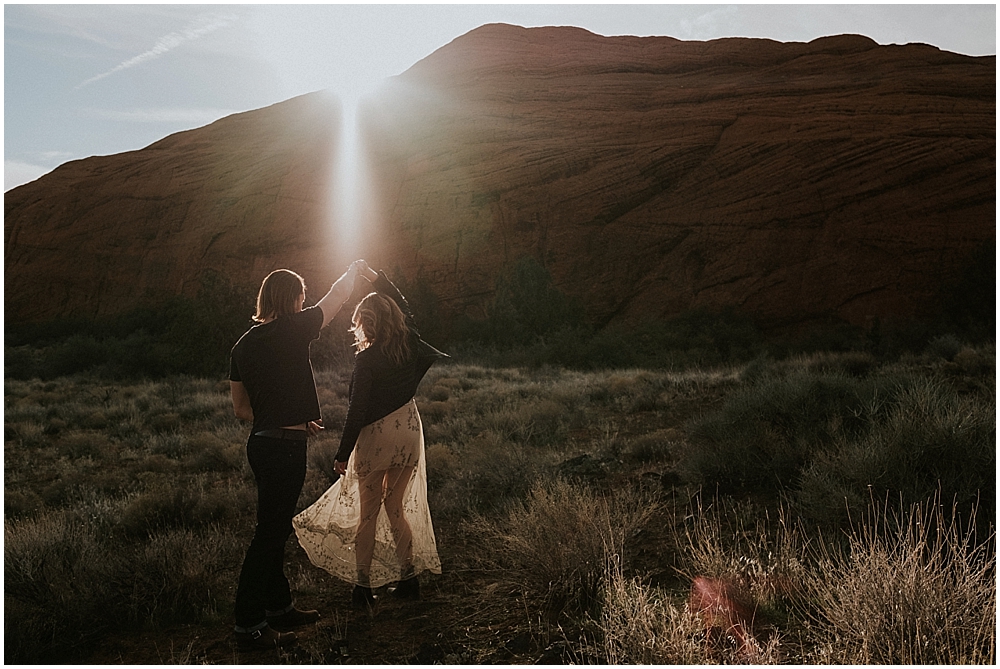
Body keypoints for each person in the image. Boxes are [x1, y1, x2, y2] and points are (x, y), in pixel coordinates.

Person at [294, 261, 446, 610]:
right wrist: (377, 278)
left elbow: (356, 410)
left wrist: (342, 453)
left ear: (366, 322)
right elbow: (403, 304)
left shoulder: (367, 360)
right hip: (408, 429)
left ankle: (362, 589)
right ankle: (410, 581)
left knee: (368, 514)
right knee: (395, 508)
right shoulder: (409, 342)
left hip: (377, 437)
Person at [229, 262, 360, 651]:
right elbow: (336, 299)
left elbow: (240, 409)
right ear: (293, 299)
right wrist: (353, 270)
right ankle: (248, 625)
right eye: (302, 297)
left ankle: (279, 606)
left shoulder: (242, 344)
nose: (305, 304)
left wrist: (285, 417)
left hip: (263, 444)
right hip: (284, 448)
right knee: (268, 535)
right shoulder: (294, 327)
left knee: (273, 527)